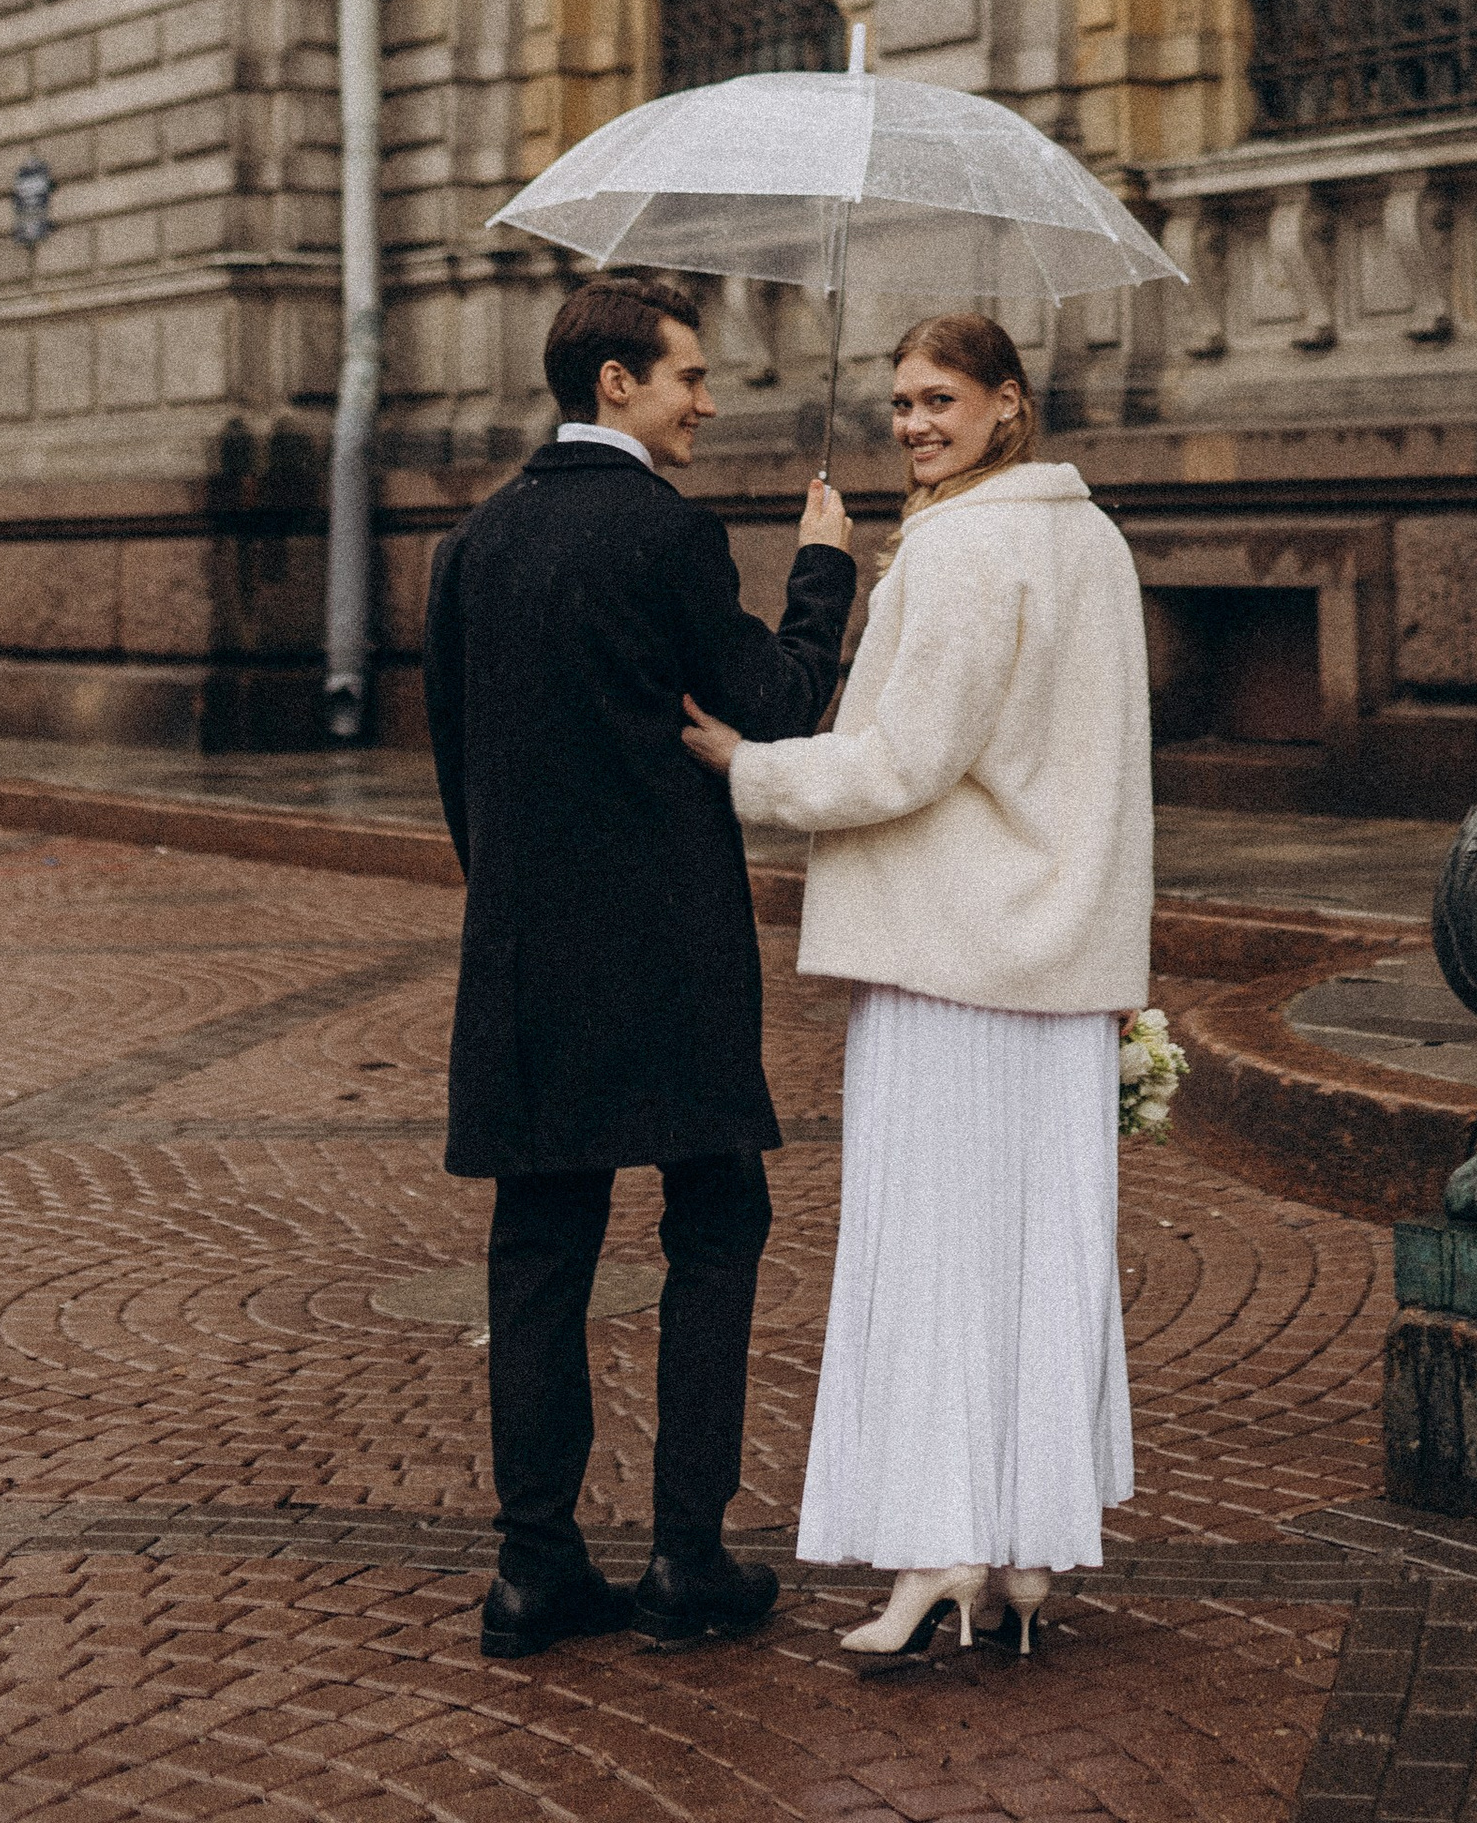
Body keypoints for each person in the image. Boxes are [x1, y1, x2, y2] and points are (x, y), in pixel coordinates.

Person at [681, 314, 1153, 1673]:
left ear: (1009, 403)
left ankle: (939, 1549)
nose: (911, 421)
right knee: (1040, 1258)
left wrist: (746, 762)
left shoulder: (960, 544)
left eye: (939, 397)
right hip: (1058, 964)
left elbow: (903, 759)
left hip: (951, 958)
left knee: (936, 1257)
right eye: (898, 401)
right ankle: (1022, 1554)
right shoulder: (1096, 539)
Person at [423, 273, 858, 1662]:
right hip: (667, 964)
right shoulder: (668, 535)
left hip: (522, 961)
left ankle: (533, 1569)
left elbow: (457, 767)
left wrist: (516, 901)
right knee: (714, 1235)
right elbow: (778, 706)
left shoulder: (472, 545)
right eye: (687, 373)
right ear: (615, 380)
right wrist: (824, 570)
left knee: (538, 1254)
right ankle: (685, 1556)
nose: (707, 398)